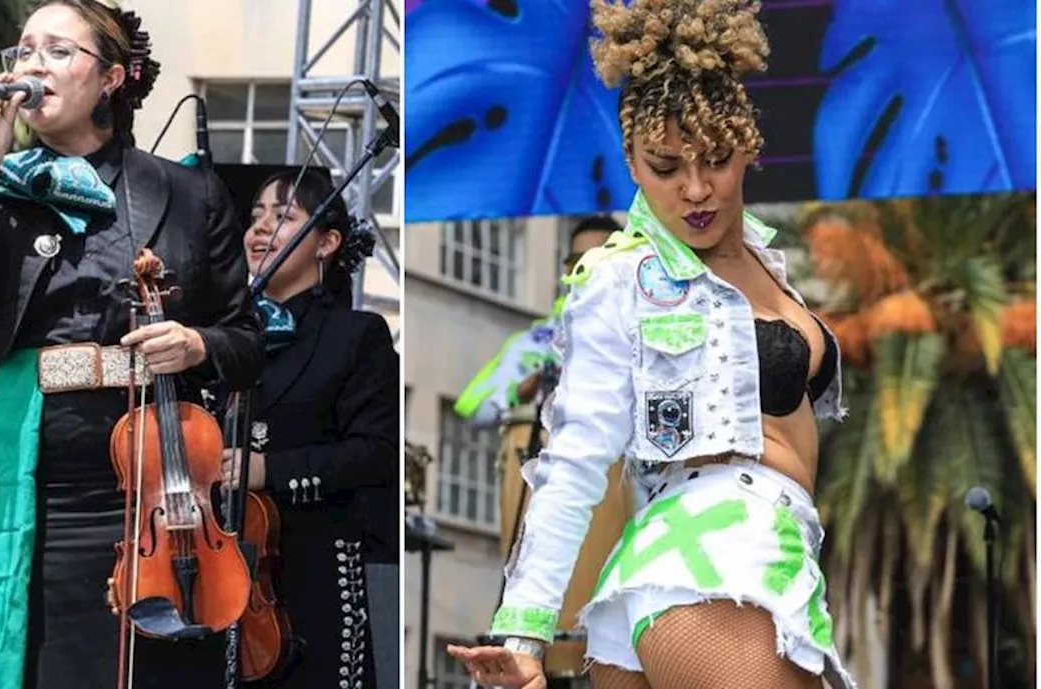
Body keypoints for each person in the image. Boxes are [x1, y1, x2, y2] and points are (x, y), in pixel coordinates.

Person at [448, 1, 855, 688]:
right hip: (710, 566)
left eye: (715, 160)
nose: (695, 189)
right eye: (665, 166)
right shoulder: (623, 278)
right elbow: (572, 459)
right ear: (631, 162)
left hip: (742, 567)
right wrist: (523, 630)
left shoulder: (766, 263)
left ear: (748, 144)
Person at [0, 1, 264, 688]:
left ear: (110, 78)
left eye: (58, 51)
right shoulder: (0, 192)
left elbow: (248, 340)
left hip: (157, 481)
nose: (32, 65)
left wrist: (195, 343)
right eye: (24, 51)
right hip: (38, 476)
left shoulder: (187, 193)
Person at [221, 169, 400, 688]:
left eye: (284, 217)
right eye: (256, 216)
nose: (261, 229)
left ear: (327, 242)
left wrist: (269, 470)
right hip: (220, 572)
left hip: (313, 571)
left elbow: (376, 452)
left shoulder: (355, 335)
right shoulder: (223, 337)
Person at [453, 216, 623, 428]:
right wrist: (518, 394)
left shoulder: (653, 333)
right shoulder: (533, 344)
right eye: (578, 262)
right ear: (567, 269)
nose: (586, 269)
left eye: (600, 259)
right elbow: (477, 413)